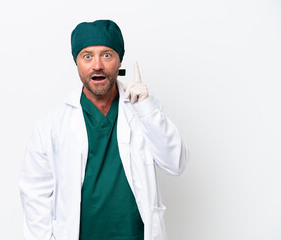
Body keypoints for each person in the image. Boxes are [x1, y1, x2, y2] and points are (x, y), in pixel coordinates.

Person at [19, 19, 188, 240]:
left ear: (119, 61)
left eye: (107, 55)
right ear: (77, 62)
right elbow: (34, 193)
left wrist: (146, 109)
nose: (97, 65)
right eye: (87, 56)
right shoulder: (52, 122)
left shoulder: (143, 110)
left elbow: (176, 163)